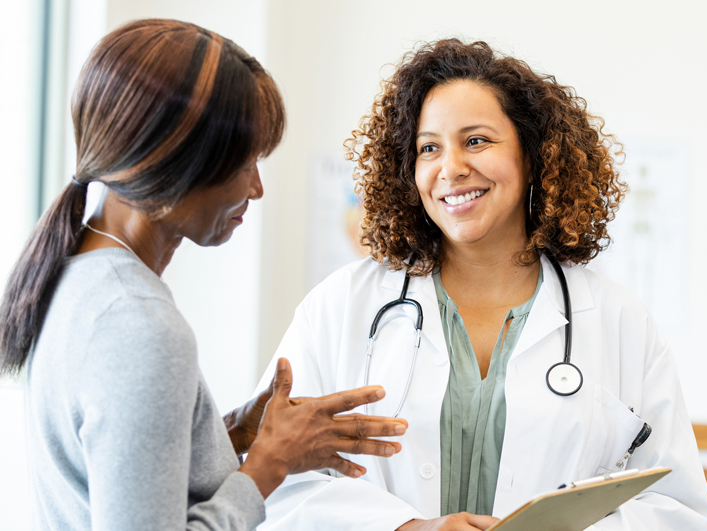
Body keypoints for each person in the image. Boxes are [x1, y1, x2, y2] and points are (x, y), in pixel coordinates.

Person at [255, 39, 707, 531]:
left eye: (476, 140)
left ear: (533, 155)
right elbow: (274, 481)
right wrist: (408, 529)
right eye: (428, 147)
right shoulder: (342, 306)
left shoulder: (615, 318)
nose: (451, 168)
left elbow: (677, 507)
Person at [0, 19, 408, 530]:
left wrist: (231, 433)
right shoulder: (140, 326)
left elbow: (121, 470)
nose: (257, 189)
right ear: (177, 162)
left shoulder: (74, 277)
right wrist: (268, 466)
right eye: (246, 163)